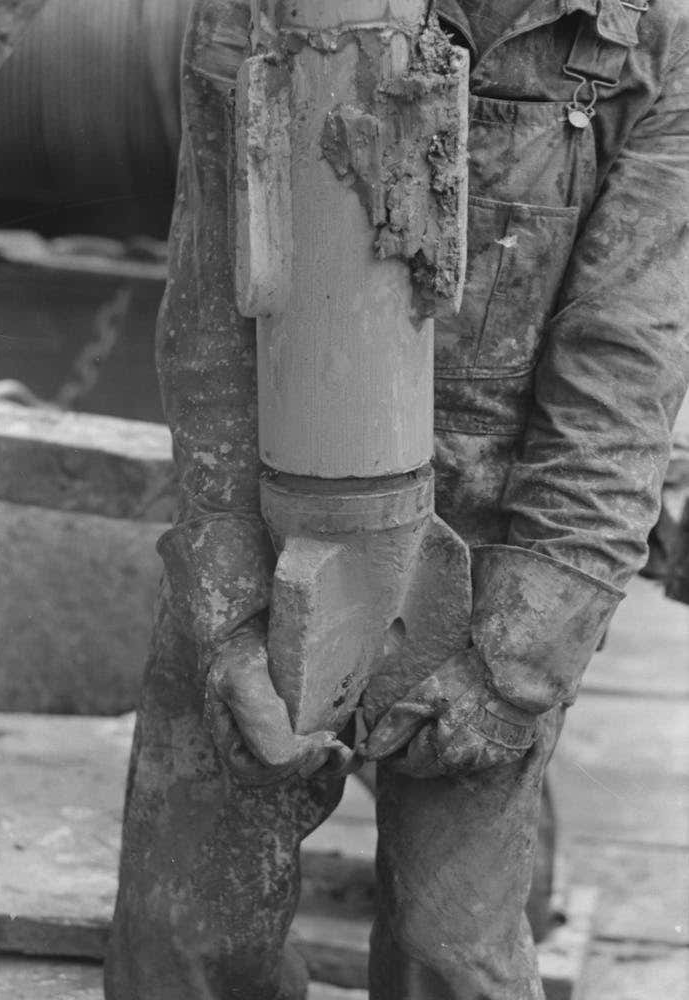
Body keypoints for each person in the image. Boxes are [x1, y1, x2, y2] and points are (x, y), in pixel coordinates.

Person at [105, 1, 689, 998]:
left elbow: (619, 386)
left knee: (450, 949)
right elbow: (208, 328)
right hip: (267, 517)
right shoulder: (266, 10)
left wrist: (511, 671)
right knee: (186, 942)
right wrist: (229, 621)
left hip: (484, 559)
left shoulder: (650, 39)